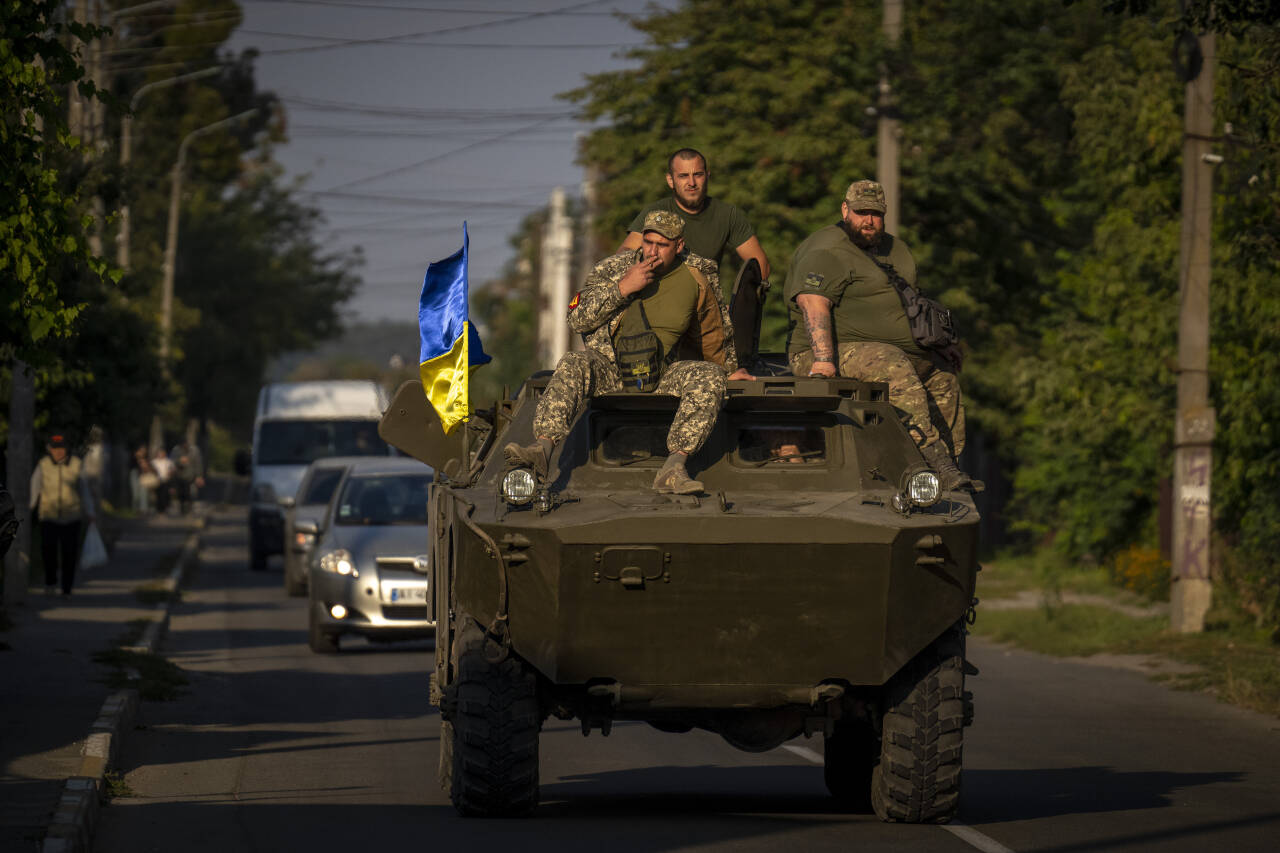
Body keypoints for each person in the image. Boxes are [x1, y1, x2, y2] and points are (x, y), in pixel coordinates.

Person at [506, 211, 753, 495]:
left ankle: (673, 468)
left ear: (679, 245)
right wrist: (623, 288)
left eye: (662, 245)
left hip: (662, 372)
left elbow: (713, 330)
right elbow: (576, 319)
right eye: (648, 242)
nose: (652, 251)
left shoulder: (698, 274)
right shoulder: (613, 269)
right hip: (610, 368)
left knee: (710, 375)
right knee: (574, 362)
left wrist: (728, 369)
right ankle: (542, 450)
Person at [784, 179, 972, 489]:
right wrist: (823, 360)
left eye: (876, 213)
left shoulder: (895, 249)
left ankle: (947, 467)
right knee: (890, 360)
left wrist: (940, 345)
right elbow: (813, 303)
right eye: (861, 212)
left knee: (943, 376)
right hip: (824, 353)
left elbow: (910, 301)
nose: (869, 220)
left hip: (894, 354)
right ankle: (929, 454)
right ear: (845, 210)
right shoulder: (827, 250)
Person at [619, 148, 771, 283]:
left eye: (698, 175)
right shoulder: (655, 212)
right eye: (683, 176)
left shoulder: (728, 214)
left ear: (707, 176)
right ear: (670, 180)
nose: (692, 182)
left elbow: (761, 266)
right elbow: (624, 253)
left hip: (705, 302)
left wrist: (738, 305)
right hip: (659, 300)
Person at [29, 432, 96, 595]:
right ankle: (50, 582)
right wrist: (28, 508)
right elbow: (35, 488)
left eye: (62, 448)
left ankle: (67, 588)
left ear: (67, 448)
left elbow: (84, 490)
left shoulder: (76, 465)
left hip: (71, 517)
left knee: (69, 554)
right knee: (48, 552)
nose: (59, 452)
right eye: (55, 448)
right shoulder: (43, 465)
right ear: (49, 449)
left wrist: (90, 511)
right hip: (48, 516)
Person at [170, 437, 204, 516]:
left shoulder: (194, 450)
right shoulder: (176, 450)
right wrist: (179, 461)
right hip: (179, 475)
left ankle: (188, 506)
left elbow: (198, 464)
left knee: (189, 492)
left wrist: (199, 476)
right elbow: (172, 462)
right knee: (181, 493)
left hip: (190, 475)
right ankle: (182, 507)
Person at [130, 444, 157, 515]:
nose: (142, 452)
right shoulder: (134, 458)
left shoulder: (147, 459)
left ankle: (143, 510)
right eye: (141, 450)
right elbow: (131, 466)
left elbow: (152, 468)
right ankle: (135, 509)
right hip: (135, 475)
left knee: (144, 492)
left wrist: (146, 466)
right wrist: (138, 461)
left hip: (144, 477)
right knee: (136, 494)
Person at [150, 446, 175, 515]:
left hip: (166, 480)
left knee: (165, 495)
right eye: (159, 453)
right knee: (158, 495)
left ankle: (164, 509)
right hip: (157, 481)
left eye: (162, 453)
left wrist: (170, 473)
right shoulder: (154, 462)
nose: (161, 455)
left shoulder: (168, 462)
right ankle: (159, 509)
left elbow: (172, 471)